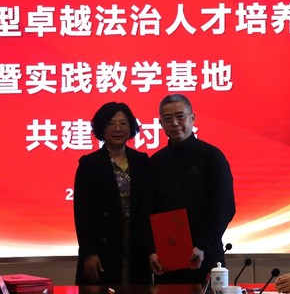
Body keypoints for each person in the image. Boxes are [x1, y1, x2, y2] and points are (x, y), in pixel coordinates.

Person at [146, 93, 236, 284]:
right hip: (167, 259)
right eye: (168, 119)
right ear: (161, 124)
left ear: (192, 118)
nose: (175, 123)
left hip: (205, 255)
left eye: (180, 116)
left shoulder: (212, 157)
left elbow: (224, 207)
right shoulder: (155, 163)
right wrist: (151, 250)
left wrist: (202, 245)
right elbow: (147, 210)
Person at [73, 102, 151, 285]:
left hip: (136, 243)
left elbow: (149, 205)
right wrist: (89, 252)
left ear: (131, 127)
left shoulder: (142, 161)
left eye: (123, 123)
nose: (118, 129)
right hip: (102, 245)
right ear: (101, 127)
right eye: (111, 123)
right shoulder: (89, 164)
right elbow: (82, 213)